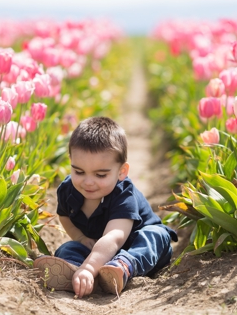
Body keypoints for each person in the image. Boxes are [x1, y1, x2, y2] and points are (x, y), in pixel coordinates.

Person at [33, 117, 177, 295]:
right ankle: (76, 272)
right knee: (67, 248)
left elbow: (114, 237)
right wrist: (80, 238)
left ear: (121, 171)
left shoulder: (124, 194)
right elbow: (64, 215)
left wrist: (89, 267)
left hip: (134, 247)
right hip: (97, 249)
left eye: (100, 175)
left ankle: (122, 267)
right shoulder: (68, 190)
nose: (88, 182)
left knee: (155, 236)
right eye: (79, 171)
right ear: (70, 161)